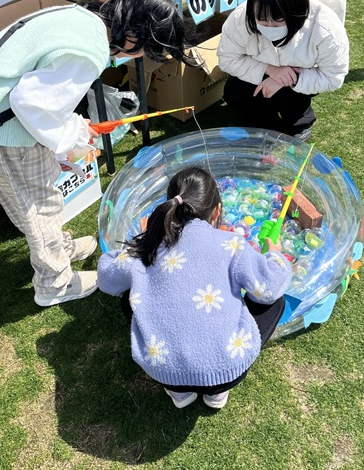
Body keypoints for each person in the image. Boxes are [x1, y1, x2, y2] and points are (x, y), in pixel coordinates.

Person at [0, 0, 195, 307]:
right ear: (134, 34)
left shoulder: (85, 17)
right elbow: (30, 103)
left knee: (45, 195)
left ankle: (58, 247)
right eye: (146, 49)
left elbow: (40, 91)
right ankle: (55, 283)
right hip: (2, 130)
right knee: (37, 209)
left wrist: (69, 126)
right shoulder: (89, 51)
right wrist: (70, 136)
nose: (140, 56)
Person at [97, 166, 291, 410]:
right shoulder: (231, 244)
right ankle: (217, 394)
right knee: (275, 301)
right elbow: (271, 285)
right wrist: (275, 255)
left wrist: (143, 239)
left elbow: (106, 279)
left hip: (164, 370)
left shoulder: (151, 246)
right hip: (227, 368)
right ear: (217, 211)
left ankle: (180, 393)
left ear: (170, 207)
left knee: (128, 296)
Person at [217, 0, 349, 142]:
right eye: (262, 19)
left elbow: (333, 77)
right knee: (235, 92)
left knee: (291, 97)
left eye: (278, 19)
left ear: (296, 10)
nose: (270, 26)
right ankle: (260, 118)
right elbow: (227, 59)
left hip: (301, 74)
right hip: (261, 67)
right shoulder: (240, 19)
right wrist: (270, 70)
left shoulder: (326, 28)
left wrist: (288, 79)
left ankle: (299, 122)